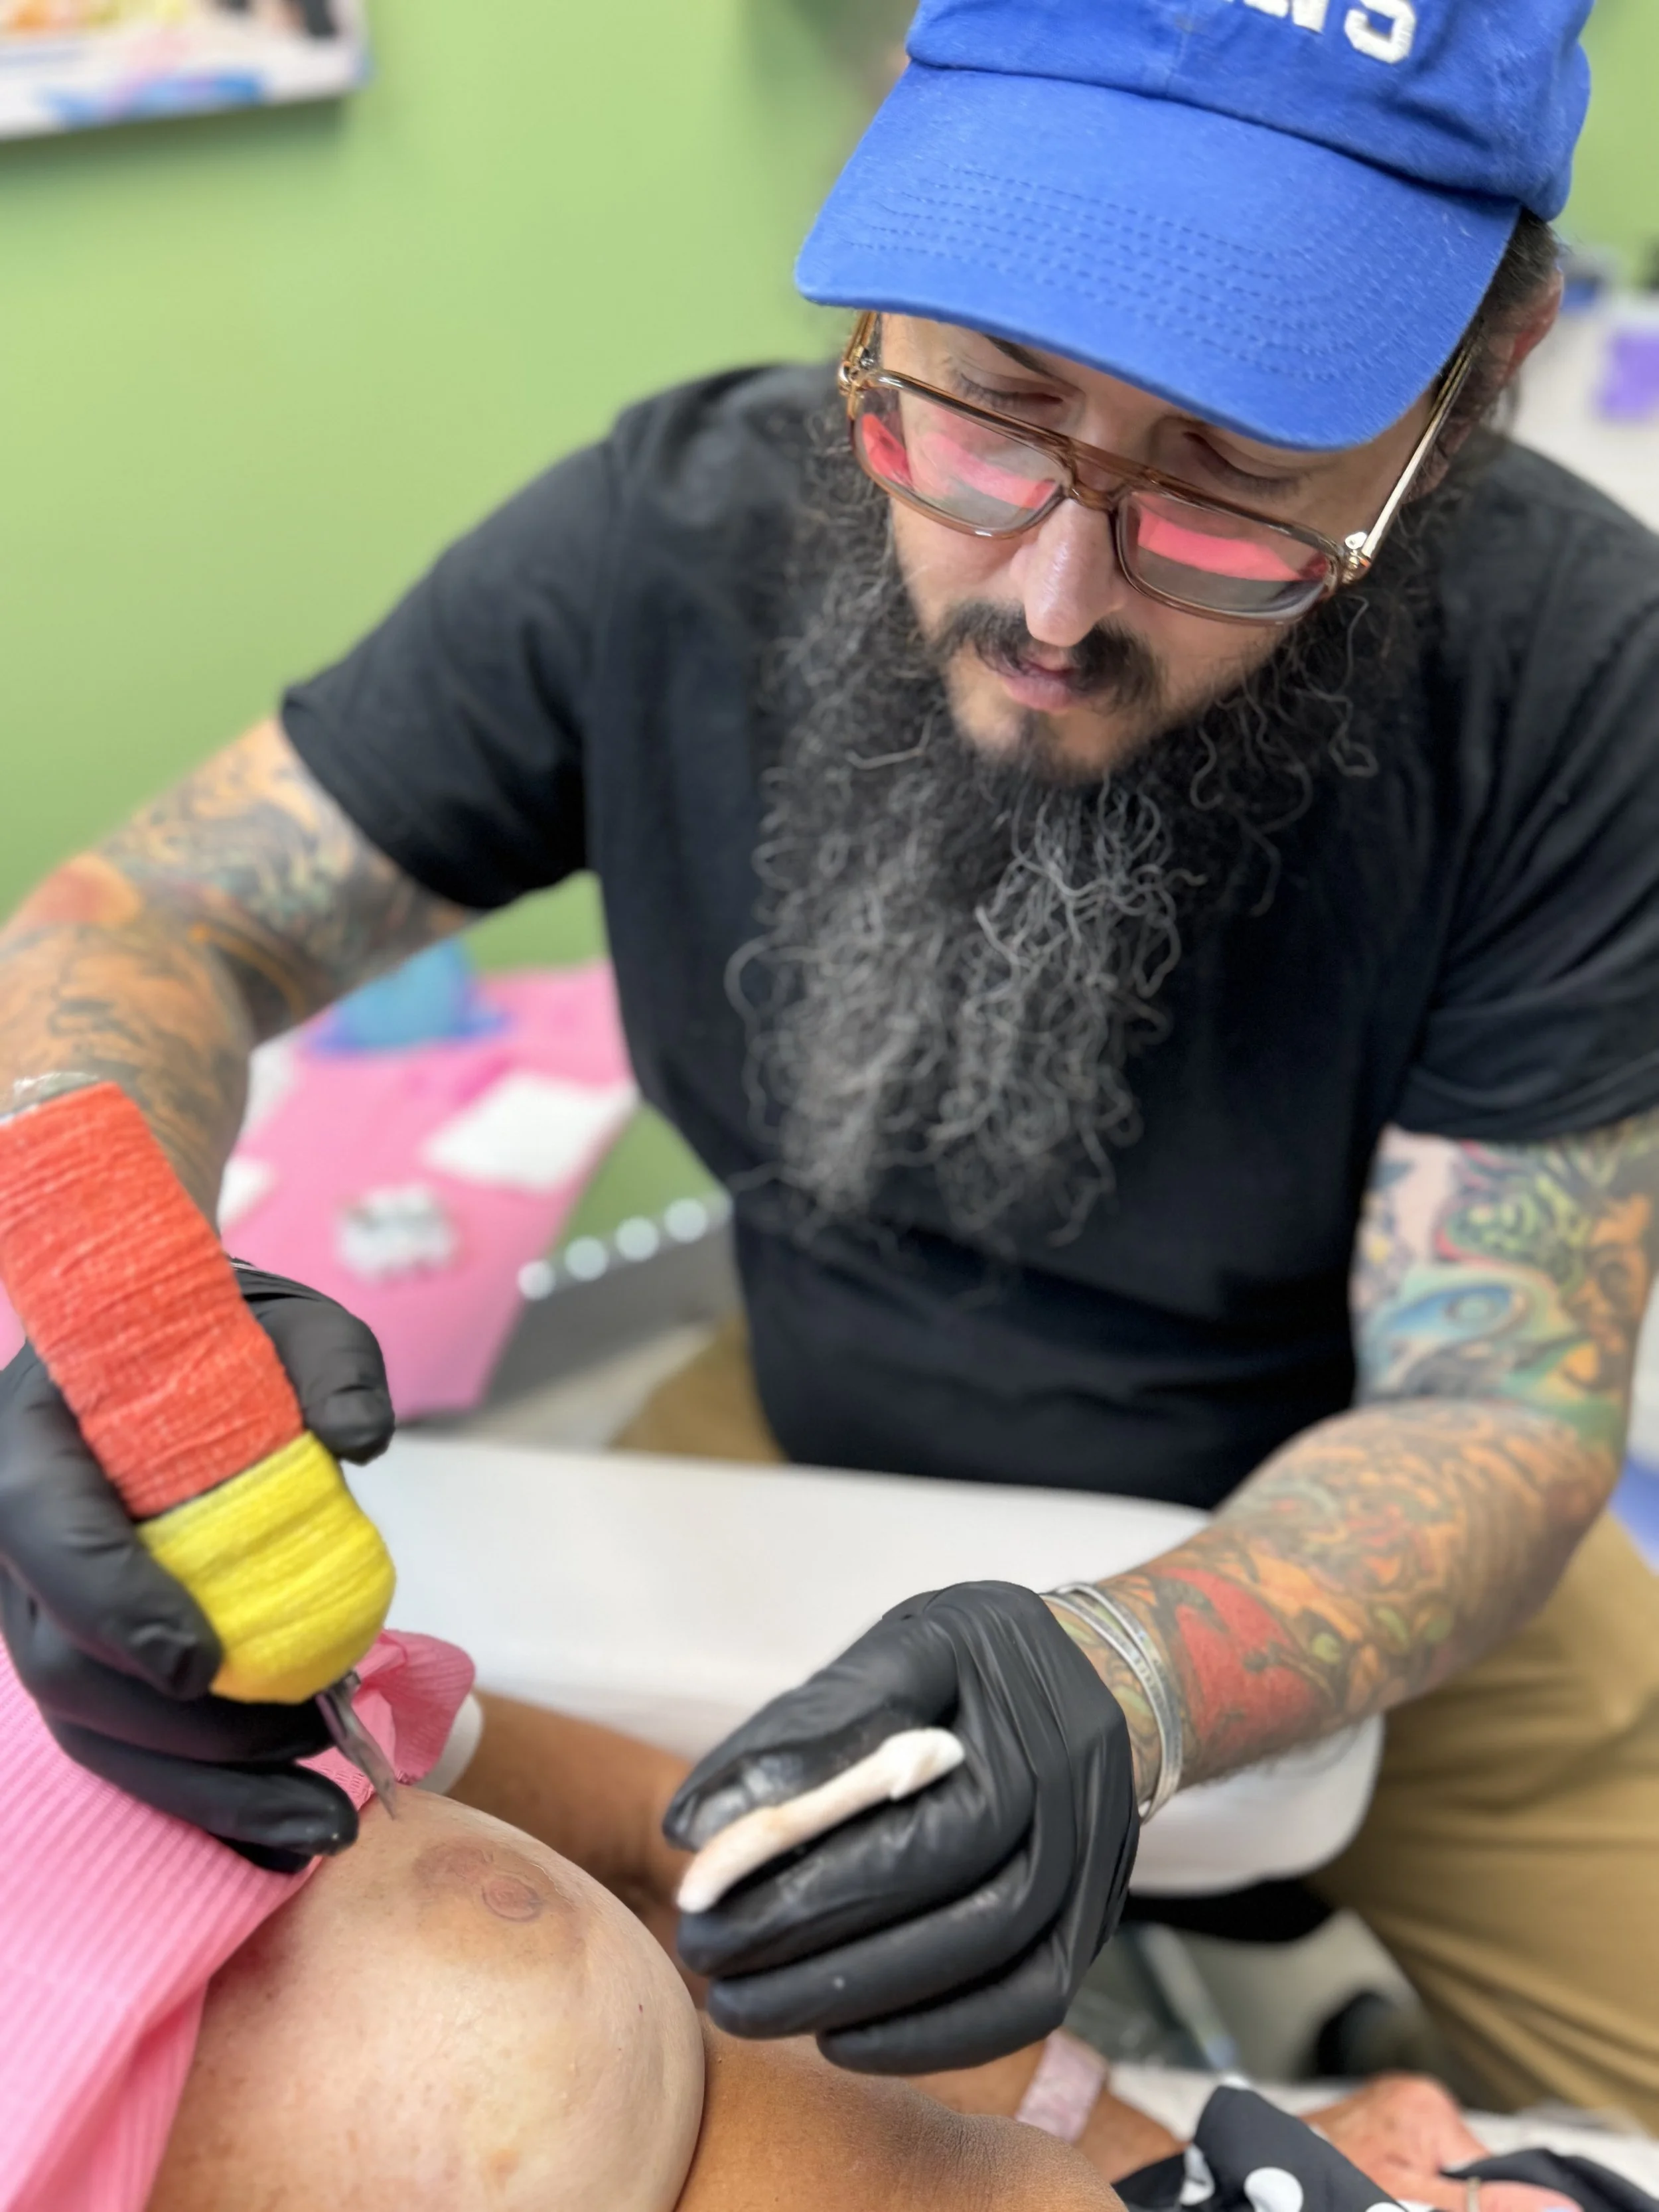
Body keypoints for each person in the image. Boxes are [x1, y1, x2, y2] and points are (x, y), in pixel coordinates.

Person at [3, 0, 1658, 2126]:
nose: (1050, 598)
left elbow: (1489, 1397)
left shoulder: (1580, 681)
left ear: (1481, 371)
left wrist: (1129, 1670)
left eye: (1235, 472)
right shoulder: (659, 543)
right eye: (991, 403)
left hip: (1372, 1525)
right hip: (809, 1428)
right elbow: (152, 920)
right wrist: (111, 1306)